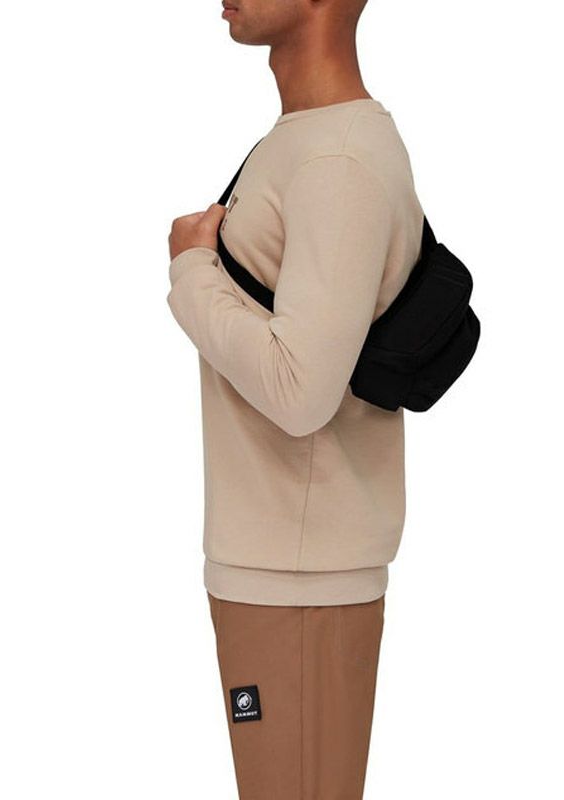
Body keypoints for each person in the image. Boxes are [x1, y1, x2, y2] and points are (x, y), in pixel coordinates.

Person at [166, 1, 424, 797]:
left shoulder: (337, 160)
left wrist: (191, 270)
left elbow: (300, 389)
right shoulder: (306, 143)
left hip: (299, 582)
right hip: (276, 567)